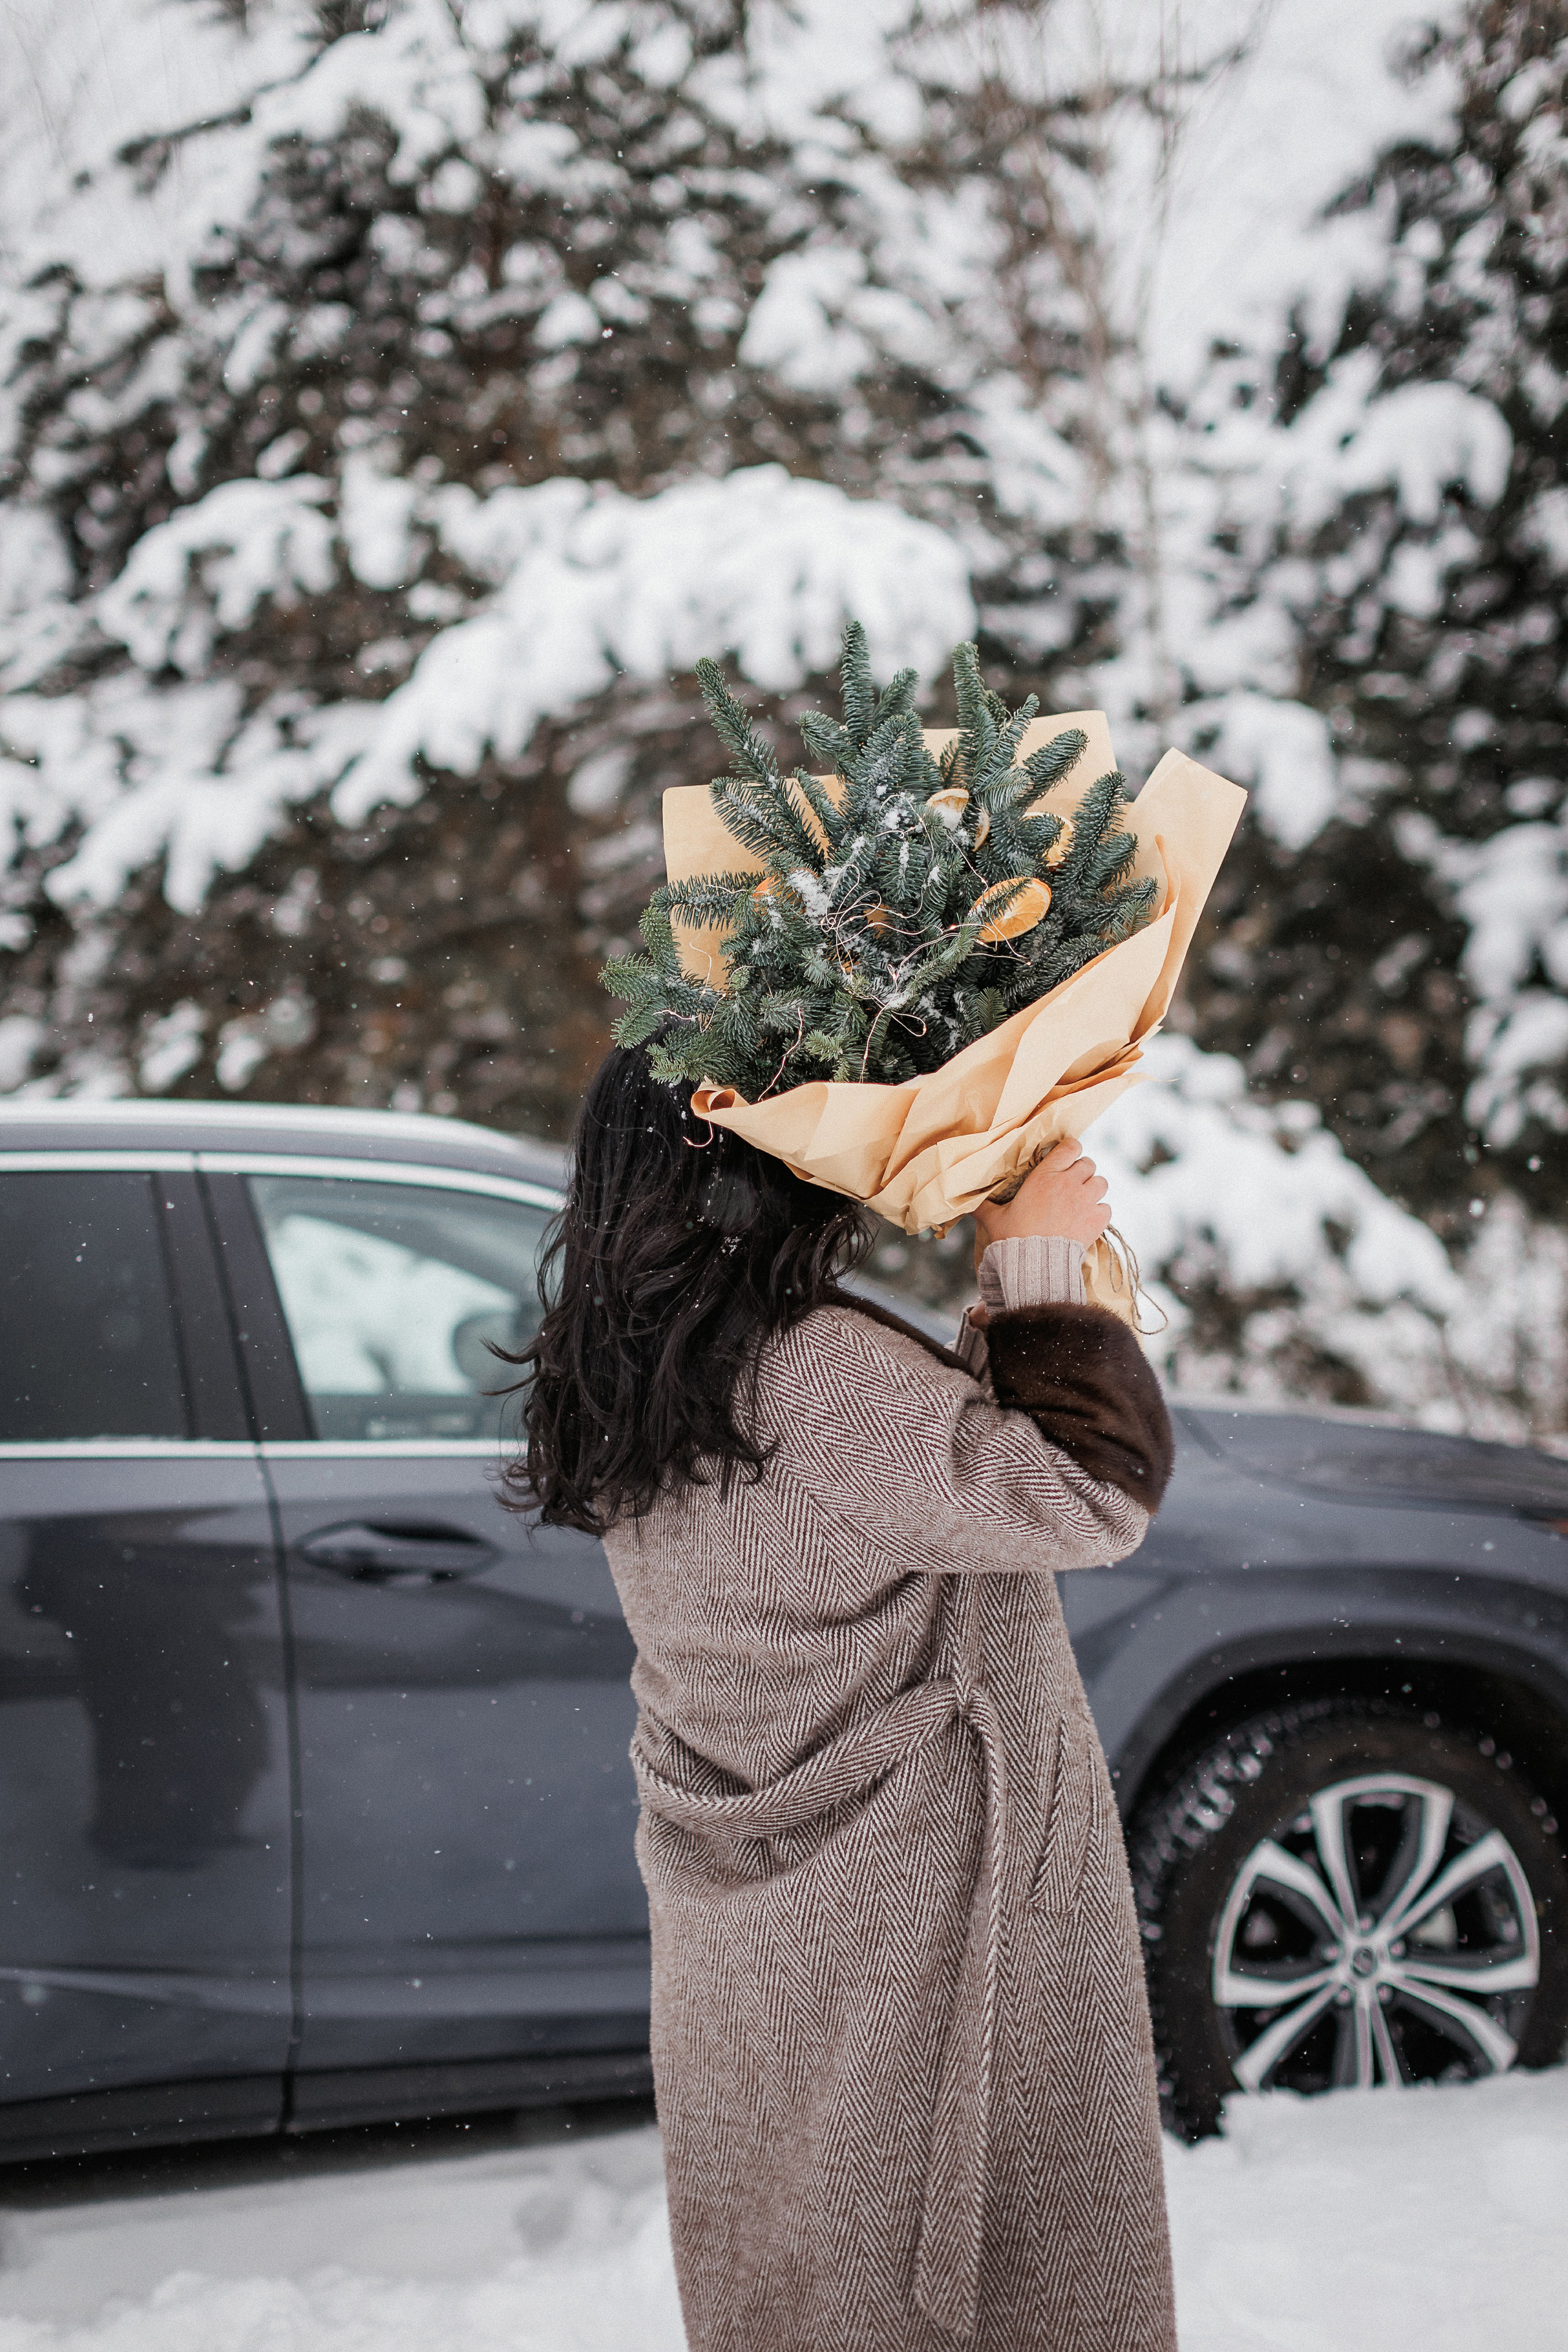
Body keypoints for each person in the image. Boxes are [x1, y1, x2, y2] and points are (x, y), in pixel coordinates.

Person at [514, 1042, 1178, 2352]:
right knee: (980, 2273)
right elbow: (1083, 1492)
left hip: (759, 1940)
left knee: (808, 2259)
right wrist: (1034, 1268)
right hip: (917, 1914)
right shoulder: (805, 1368)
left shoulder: (625, 1365)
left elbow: (919, 1484)